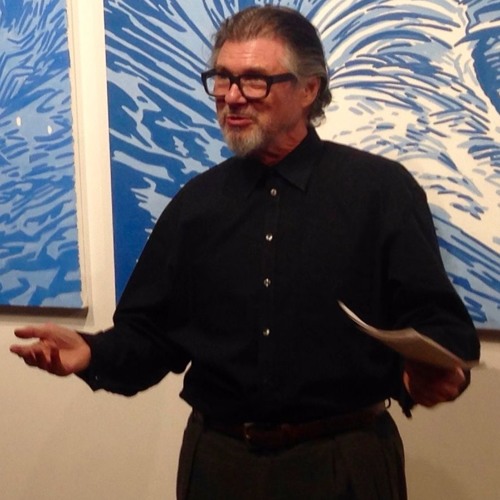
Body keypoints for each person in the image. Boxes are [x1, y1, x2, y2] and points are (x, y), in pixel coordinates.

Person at [10, 6, 480, 500]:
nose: (232, 97)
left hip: (344, 461)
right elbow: (151, 335)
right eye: (222, 78)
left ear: (309, 89)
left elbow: (440, 326)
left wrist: (432, 374)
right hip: (220, 464)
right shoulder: (196, 205)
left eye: (255, 80)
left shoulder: (380, 192)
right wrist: (92, 353)